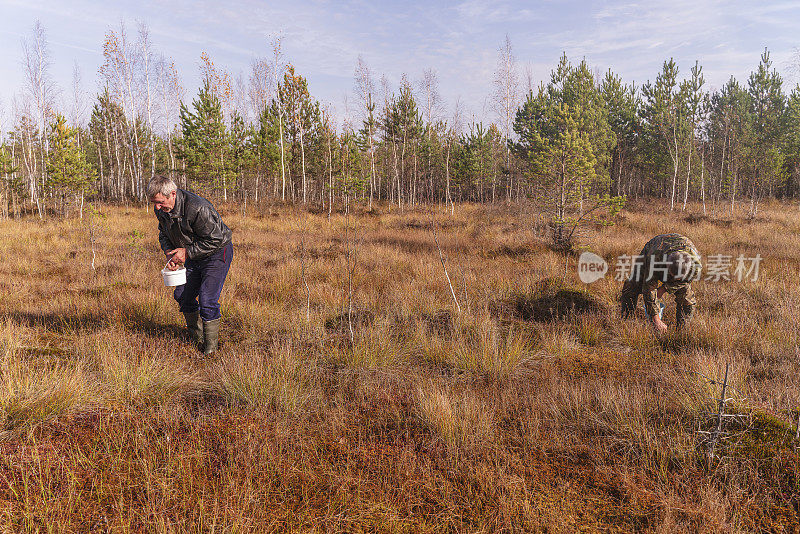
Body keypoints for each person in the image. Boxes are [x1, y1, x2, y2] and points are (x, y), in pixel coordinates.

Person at [147, 175, 233, 354]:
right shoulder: (161, 209)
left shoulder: (198, 207)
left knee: (207, 300)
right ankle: (197, 339)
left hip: (217, 253)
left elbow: (216, 239)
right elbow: (164, 234)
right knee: (183, 296)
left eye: (160, 202)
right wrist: (171, 255)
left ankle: (211, 351)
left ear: (172, 194)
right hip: (192, 254)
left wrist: (186, 253)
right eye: (154, 203)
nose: (157, 207)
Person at [620, 233, 701, 334]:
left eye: (678, 278)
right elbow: (648, 288)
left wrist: (664, 288)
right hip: (653, 247)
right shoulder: (655, 259)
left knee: (686, 298)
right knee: (633, 284)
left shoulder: (695, 266)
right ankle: (626, 319)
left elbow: (685, 282)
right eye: (672, 276)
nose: (673, 279)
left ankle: (682, 331)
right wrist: (656, 320)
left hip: (678, 255)